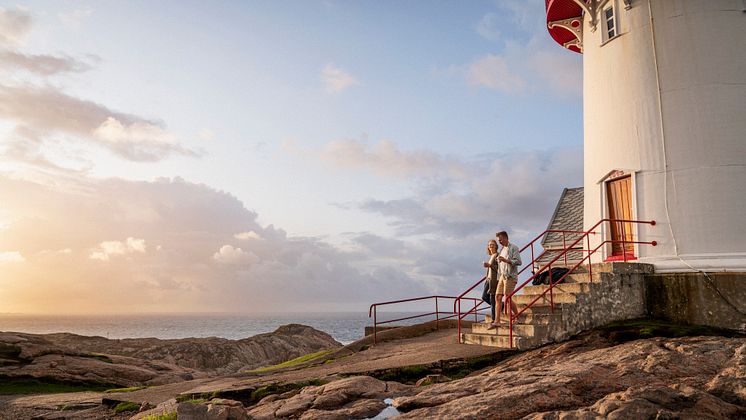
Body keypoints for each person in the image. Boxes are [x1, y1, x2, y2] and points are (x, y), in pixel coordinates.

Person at [494, 230, 521, 326]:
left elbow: (518, 261)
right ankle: (497, 321)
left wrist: (506, 260)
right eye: (498, 240)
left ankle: (517, 317)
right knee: (497, 297)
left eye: (500, 240)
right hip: (502, 276)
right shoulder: (501, 250)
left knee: (507, 298)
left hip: (510, 276)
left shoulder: (513, 248)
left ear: (505, 238)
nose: (499, 242)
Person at [483, 240, 499, 326]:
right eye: (489, 245)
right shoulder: (491, 256)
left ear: (496, 246)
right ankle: (501, 306)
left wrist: (490, 265)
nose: (491, 246)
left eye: (492, 245)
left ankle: (493, 319)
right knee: (484, 297)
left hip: (494, 280)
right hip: (488, 280)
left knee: (492, 299)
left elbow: (499, 269)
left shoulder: (497, 255)